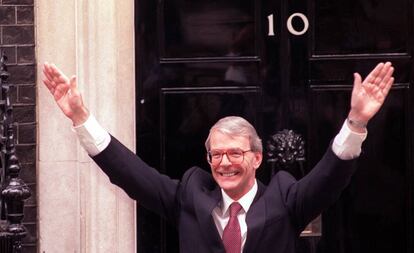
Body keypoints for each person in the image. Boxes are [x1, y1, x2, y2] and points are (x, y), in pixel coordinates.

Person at [42, 61, 394, 253]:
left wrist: (357, 121)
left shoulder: (286, 198)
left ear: (256, 158)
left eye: (235, 153)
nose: (224, 163)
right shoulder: (190, 195)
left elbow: (331, 176)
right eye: (216, 154)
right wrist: (81, 118)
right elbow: (130, 173)